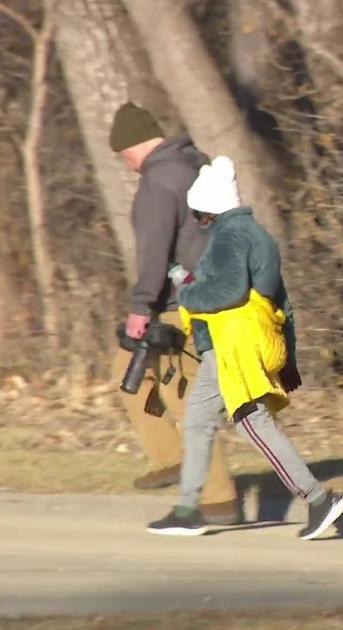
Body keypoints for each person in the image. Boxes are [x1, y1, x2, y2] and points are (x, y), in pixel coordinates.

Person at [146, 156, 343, 540]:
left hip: (232, 345)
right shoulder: (257, 235)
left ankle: (317, 498)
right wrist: (288, 355)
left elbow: (229, 290)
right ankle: (188, 508)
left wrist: (187, 291)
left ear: (209, 208)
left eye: (198, 212)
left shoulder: (229, 236)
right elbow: (280, 302)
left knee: (251, 423)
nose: (197, 220)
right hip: (243, 342)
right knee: (200, 420)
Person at [108, 102, 238, 524]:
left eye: (122, 155)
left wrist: (141, 305)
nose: (125, 165)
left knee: (185, 397)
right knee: (126, 369)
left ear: (131, 147)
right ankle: (172, 459)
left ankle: (217, 499)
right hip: (210, 292)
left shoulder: (158, 182)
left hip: (181, 303)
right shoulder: (195, 167)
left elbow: (154, 249)